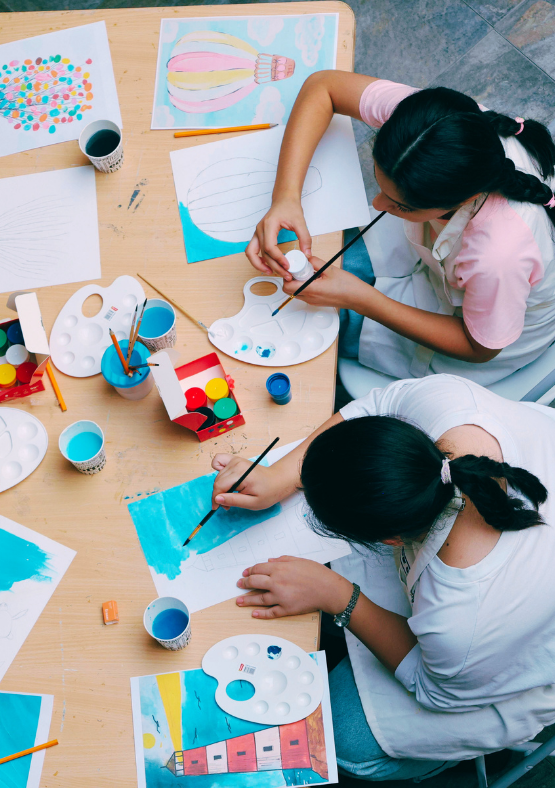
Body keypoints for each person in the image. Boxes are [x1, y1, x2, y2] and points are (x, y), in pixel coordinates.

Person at [210, 374, 555, 781]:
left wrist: (338, 595)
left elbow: (435, 690)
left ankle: (435, 764)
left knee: (340, 734)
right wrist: (282, 474)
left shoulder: (462, 618)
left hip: (502, 663)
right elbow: (378, 401)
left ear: (390, 539)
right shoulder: (445, 406)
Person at [247, 71, 555, 386]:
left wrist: (362, 299)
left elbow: (480, 347)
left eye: (401, 206)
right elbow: (322, 87)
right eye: (380, 186)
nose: (378, 205)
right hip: (447, 256)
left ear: (465, 200)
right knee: (324, 266)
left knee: (311, 320)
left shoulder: (499, 255)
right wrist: (285, 197)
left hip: (481, 328)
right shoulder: (426, 127)